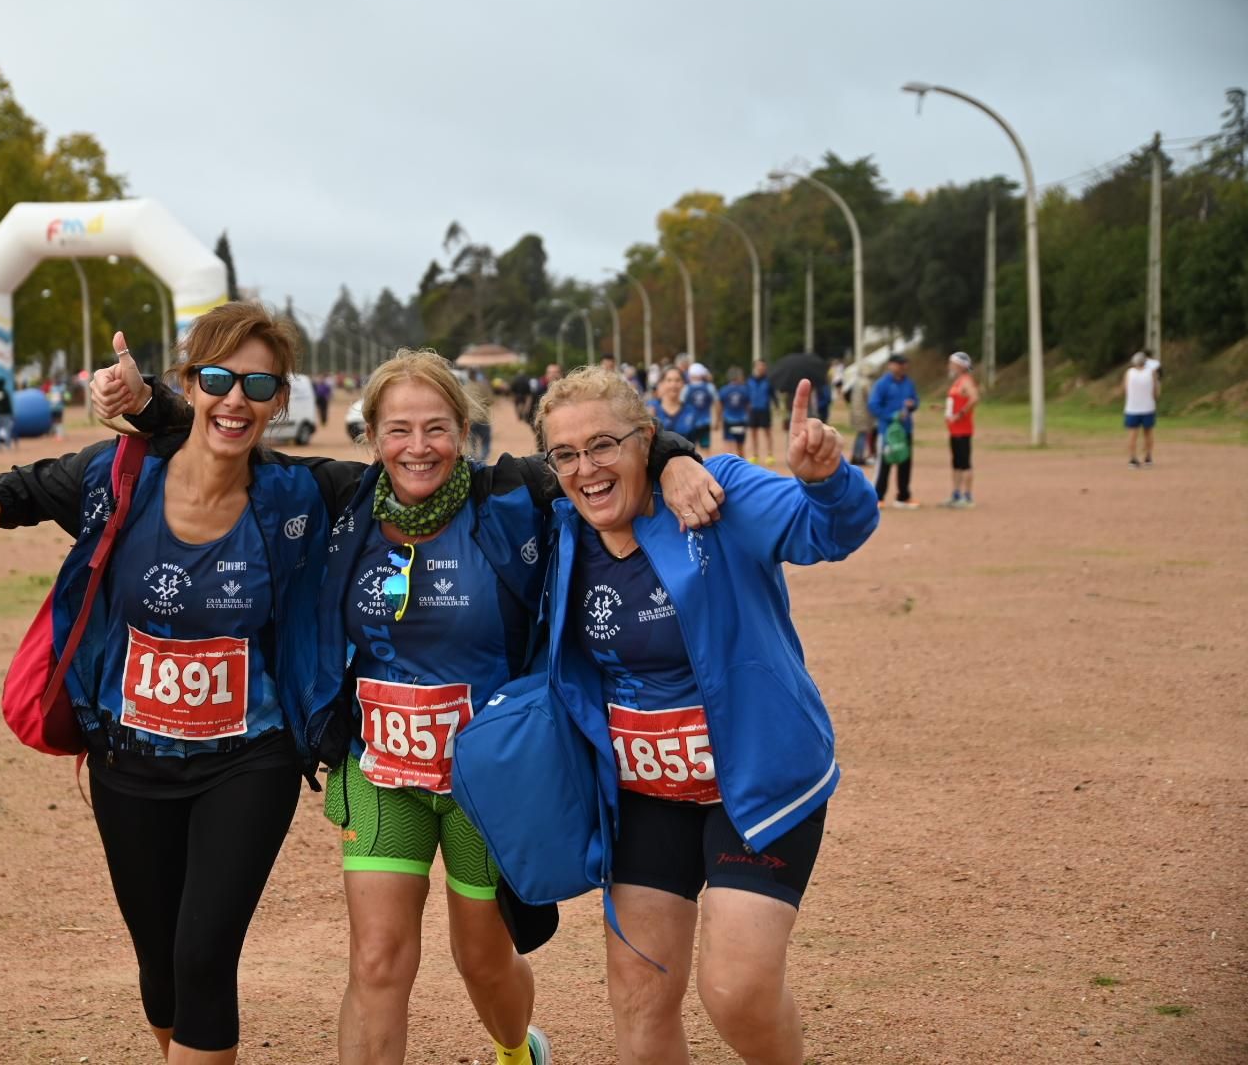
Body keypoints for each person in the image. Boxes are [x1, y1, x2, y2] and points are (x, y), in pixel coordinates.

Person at [102, 349, 722, 1065]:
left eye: (435, 428)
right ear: (370, 437)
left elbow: (607, 466)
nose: (417, 447)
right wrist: (148, 404)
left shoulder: (513, 496)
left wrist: (674, 456)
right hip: (380, 768)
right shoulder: (343, 499)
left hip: (484, 782)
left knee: (481, 959)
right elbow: (230, 430)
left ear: (463, 429)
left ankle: (517, 1049)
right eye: (398, 430)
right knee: (377, 960)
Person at [0, 303, 343, 1065]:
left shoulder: (299, 495)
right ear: (190, 383)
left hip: (250, 760)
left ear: (281, 400)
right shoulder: (116, 474)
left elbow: (419, 484)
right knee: (160, 971)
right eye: (218, 378)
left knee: (202, 957)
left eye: (259, 384)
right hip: (130, 762)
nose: (236, 399)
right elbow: (21, 487)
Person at [528, 367, 877, 1064]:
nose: (586, 469)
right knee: (639, 994)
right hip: (648, 792)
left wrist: (827, 479)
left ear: (646, 442)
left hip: (758, 783)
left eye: (603, 446)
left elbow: (832, 531)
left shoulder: (713, 493)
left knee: (737, 989)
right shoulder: (558, 526)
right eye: (565, 454)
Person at [868, 354, 919, 509]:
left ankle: (903, 497)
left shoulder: (909, 383)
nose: (902, 366)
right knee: (884, 464)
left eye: (904, 364)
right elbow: (873, 406)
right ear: (890, 365)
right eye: (899, 364)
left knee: (905, 463)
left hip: (905, 431)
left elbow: (915, 401)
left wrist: (912, 405)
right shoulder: (882, 384)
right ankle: (877, 497)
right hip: (887, 431)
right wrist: (891, 415)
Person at [937, 352, 979, 507]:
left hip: (963, 430)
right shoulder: (958, 381)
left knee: (965, 463)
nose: (950, 366)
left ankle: (967, 497)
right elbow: (956, 402)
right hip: (954, 430)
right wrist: (944, 409)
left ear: (960, 365)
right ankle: (956, 494)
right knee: (956, 463)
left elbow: (974, 398)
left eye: (952, 363)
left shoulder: (967, 381)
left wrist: (960, 414)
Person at [650, 365, 702, 446]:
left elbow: (695, 445)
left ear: (683, 384)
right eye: (669, 380)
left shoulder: (691, 412)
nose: (673, 385)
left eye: (677, 380)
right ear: (662, 383)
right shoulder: (651, 409)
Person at [1124, 350, 1159, 468]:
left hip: (1132, 408)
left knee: (1132, 434)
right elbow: (1155, 391)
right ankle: (1148, 457)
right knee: (1148, 433)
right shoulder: (1151, 372)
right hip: (1148, 407)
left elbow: (1126, 389)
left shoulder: (1129, 373)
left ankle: (1132, 459)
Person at [745, 359, 776, 465]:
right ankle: (755, 455)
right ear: (755, 367)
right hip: (753, 410)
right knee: (753, 433)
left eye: (763, 366)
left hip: (764, 410)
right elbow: (746, 395)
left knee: (767, 433)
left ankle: (770, 455)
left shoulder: (769, 380)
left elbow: (773, 395)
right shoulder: (749, 380)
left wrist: (776, 406)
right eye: (759, 366)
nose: (761, 368)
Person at [683, 362, 717, 453]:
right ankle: (707, 466)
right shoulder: (709, 387)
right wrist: (716, 419)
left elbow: (681, 404)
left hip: (690, 423)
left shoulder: (686, 388)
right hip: (705, 422)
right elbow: (716, 402)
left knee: (690, 449)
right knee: (706, 448)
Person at [718, 366, 751, 457]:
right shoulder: (744, 389)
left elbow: (720, 407)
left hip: (728, 421)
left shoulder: (724, 390)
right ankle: (742, 467)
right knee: (740, 446)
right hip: (741, 421)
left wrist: (718, 420)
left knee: (728, 446)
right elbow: (748, 407)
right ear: (739, 377)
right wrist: (749, 418)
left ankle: (730, 466)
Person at [465, 369, 494, 463]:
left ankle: (473, 463)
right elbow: (490, 400)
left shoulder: (464, 388)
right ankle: (482, 461)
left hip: (470, 419)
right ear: (476, 375)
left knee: (472, 444)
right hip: (483, 418)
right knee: (486, 442)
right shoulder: (483, 386)